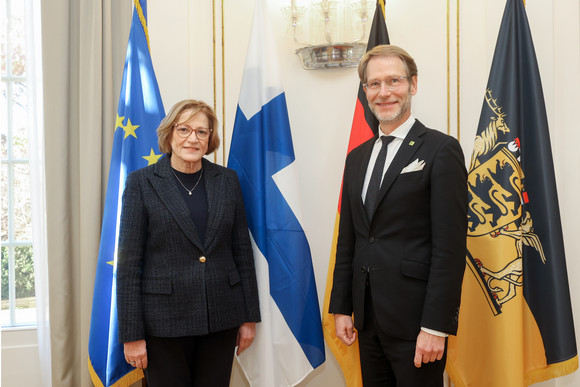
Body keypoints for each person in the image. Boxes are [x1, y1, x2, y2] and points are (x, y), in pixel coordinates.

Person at [329, 44, 468, 387]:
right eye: (374, 84)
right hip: (367, 317)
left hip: (417, 322)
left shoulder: (440, 149)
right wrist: (342, 307)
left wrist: (435, 326)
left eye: (394, 80)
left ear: (413, 85)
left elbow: (449, 248)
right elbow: (351, 238)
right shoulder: (357, 157)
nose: (384, 92)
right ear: (365, 92)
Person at [116, 99, 261, 387]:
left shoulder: (228, 181)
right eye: (184, 129)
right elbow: (129, 265)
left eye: (202, 132)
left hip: (221, 318)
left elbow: (242, 252)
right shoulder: (141, 183)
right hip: (163, 325)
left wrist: (248, 318)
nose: (193, 138)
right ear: (169, 134)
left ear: (210, 139)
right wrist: (132, 335)